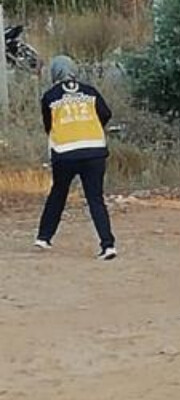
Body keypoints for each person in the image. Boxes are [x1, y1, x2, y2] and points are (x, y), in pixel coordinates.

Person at [34, 56, 117, 260]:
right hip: (95, 151)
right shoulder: (90, 91)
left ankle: (44, 237)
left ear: (54, 73)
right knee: (95, 199)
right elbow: (106, 114)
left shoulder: (50, 96)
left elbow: (48, 125)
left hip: (65, 153)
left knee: (58, 193)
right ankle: (108, 245)